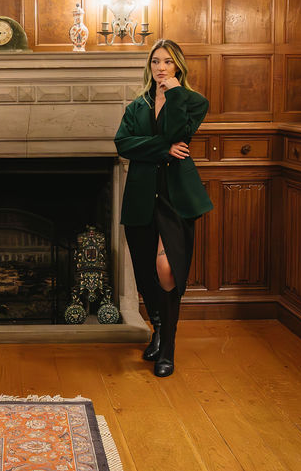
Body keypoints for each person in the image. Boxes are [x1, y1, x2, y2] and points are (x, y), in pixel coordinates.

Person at [115, 39, 213, 377]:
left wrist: (173, 96)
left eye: (168, 62)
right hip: (141, 197)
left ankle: (167, 349)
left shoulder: (193, 102)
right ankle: (157, 328)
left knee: (169, 273)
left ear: (178, 67)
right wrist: (162, 148)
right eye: (156, 61)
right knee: (146, 273)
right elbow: (123, 144)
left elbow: (177, 133)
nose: (161, 68)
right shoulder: (136, 106)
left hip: (176, 200)